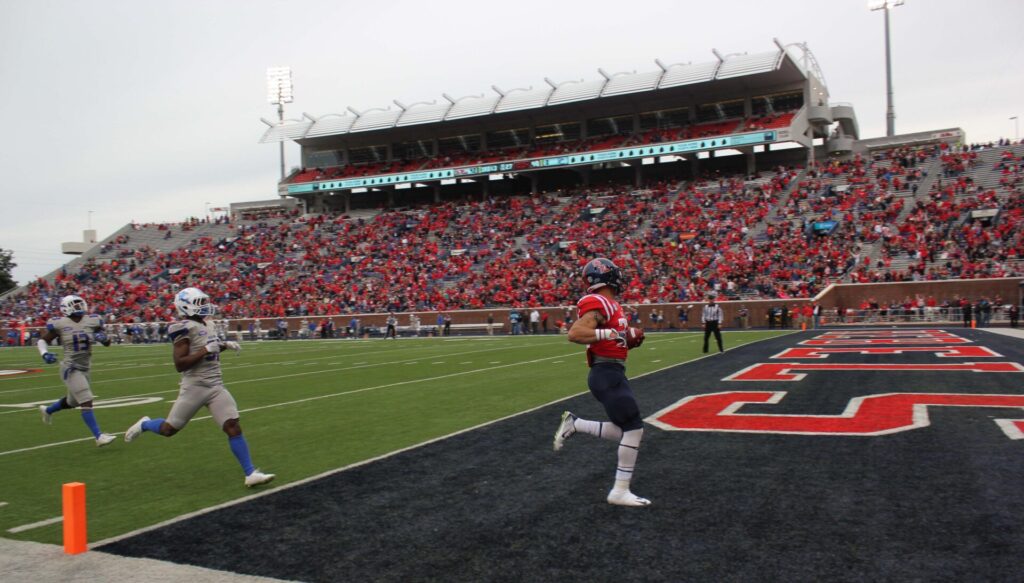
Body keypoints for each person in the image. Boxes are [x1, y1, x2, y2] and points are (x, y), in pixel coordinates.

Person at [124, 287, 274, 488]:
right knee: (169, 430)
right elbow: (180, 364)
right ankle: (145, 424)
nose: (205, 306)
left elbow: (210, 346)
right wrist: (206, 349)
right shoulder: (182, 328)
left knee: (233, 426)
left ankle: (250, 473)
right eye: (199, 303)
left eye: (204, 302)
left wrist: (224, 345)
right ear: (186, 306)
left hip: (215, 386)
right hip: (194, 387)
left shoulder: (207, 323)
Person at [552, 258, 650, 507]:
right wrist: (612, 333)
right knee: (634, 427)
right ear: (605, 276)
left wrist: (628, 339)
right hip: (604, 372)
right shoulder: (598, 302)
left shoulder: (611, 305)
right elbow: (575, 333)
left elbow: (613, 339)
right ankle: (619, 491)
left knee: (628, 429)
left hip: (613, 371)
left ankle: (575, 424)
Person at [36, 295, 117, 447]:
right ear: (66, 307)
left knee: (72, 402)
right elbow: (42, 340)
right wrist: (44, 353)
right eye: (76, 305)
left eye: (80, 304)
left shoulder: (92, 320)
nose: (80, 307)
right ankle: (98, 436)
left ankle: (48, 410)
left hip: (85, 367)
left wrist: (103, 338)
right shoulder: (59, 323)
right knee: (86, 399)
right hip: (70, 367)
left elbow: (107, 343)